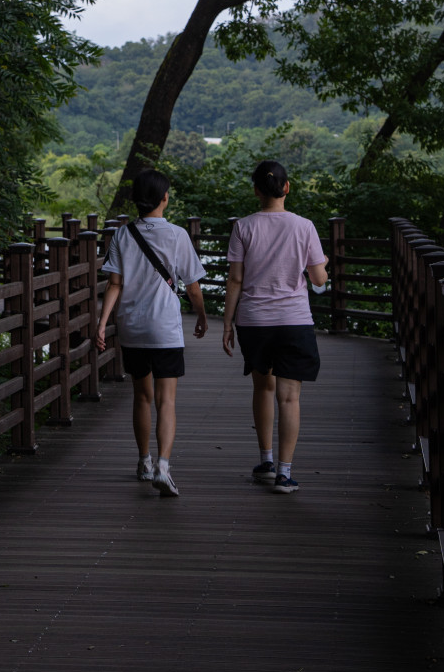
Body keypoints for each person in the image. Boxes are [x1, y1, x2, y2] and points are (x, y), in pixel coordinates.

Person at [95, 168, 208, 497]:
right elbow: (192, 286)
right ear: (164, 198)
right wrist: (201, 315)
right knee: (166, 400)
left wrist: (102, 323)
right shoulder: (177, 235)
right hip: (165, 329)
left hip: (132, 327)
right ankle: (163, 466)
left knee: (142, 397)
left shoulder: (122, 234)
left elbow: (114, 284)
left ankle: (144, 461)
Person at [222, 159, 328, 493]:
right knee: (289, 398)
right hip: (294, 320)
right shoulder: (304, 226)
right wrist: (323, 266)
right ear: (287, 187)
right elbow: (318, 278)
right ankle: (284, 473)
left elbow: (235, 280)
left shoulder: (243, 227)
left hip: (254, 321)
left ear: (256, 190)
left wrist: (227, 324)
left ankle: (265, 461)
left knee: (263, 388)